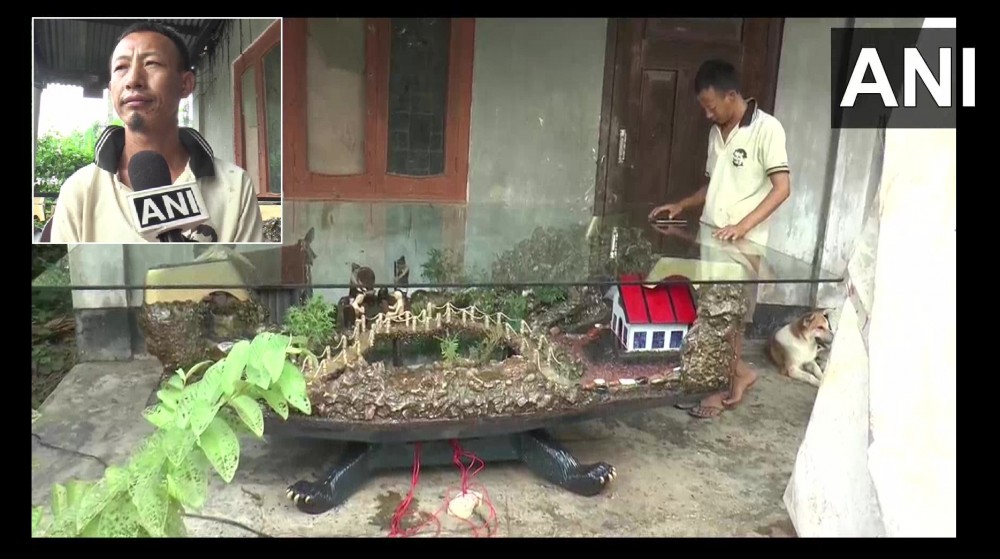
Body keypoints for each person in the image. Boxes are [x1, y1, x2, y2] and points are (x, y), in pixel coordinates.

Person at [648, 58, 791, 419]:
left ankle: (719, 390)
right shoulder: (717, 134)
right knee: (712, 313)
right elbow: (713, 184)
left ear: (731, 96)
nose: (707, 114)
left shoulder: (767, 129)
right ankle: (739, 374)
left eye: (711, 106)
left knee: (729, 317)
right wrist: (681, 204)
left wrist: (742, 226)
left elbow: (782, 188)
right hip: (712, 238)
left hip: (743, 245)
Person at [48, 21, 264, 243]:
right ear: (112, 89)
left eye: (152, 63)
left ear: (186, 84)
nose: (133, 80)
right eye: (121, 67)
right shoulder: (79, 192)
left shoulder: (235, 187)